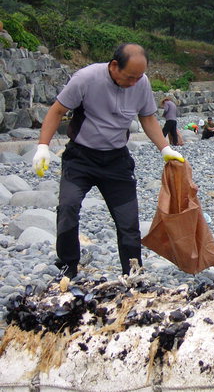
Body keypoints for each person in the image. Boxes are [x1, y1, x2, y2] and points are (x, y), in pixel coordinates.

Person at [31, 43, 185, 278]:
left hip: (116, 160)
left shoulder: (140, 82)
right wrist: (43, 147)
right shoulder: (86, 78)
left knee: (129, 221)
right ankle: (68, 266)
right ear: (114, 66)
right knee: (68, 208)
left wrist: (165, 149)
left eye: (139, 77)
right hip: (80, 158)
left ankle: (132, 272)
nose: (134, 82)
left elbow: (147, 118)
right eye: (130, 77)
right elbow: (57, 110)